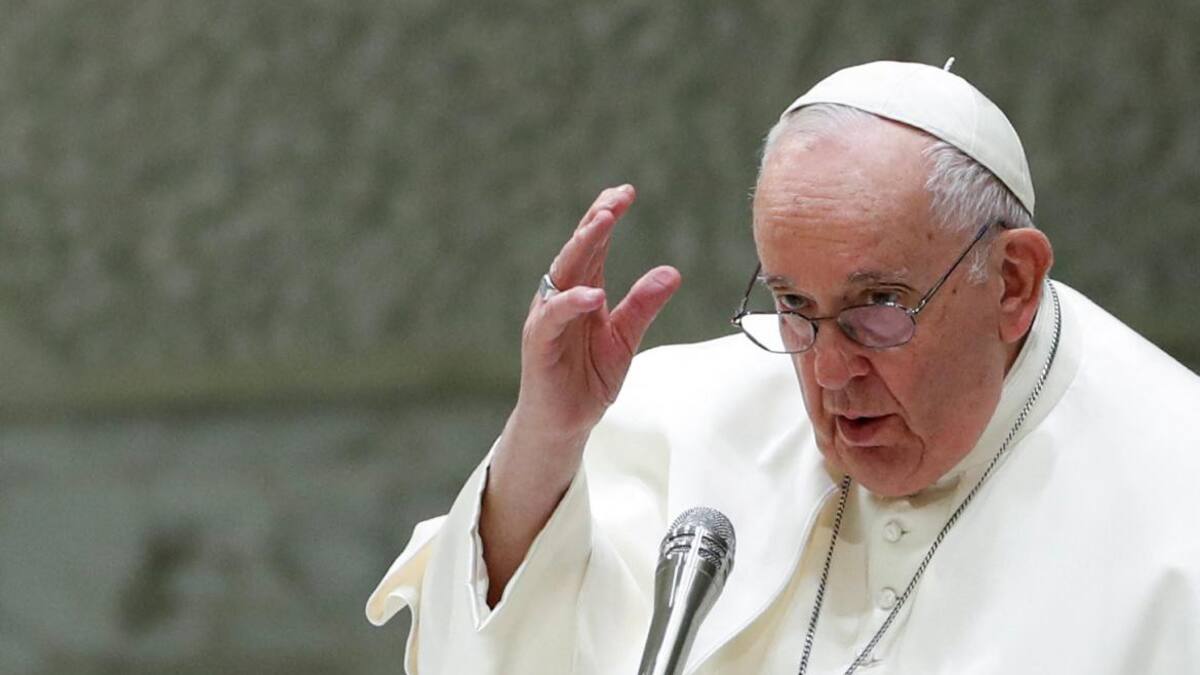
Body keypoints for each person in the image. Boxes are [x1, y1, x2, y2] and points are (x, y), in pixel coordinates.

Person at [366, 61, 1200, 674]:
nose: (831, 372)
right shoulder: (682, 410)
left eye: (880, 304)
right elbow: (476, 657)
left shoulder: (1176, 495)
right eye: (794, 306)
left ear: (1010, 282)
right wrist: (547, 434)